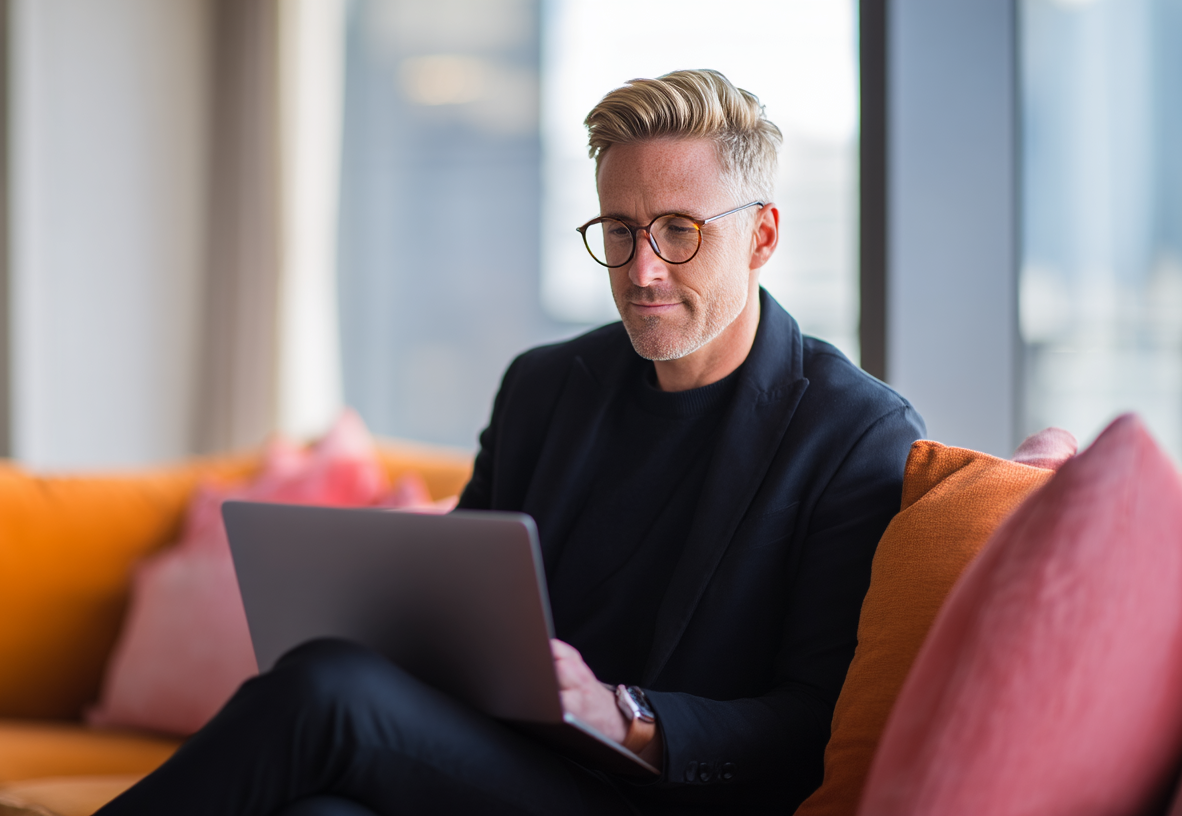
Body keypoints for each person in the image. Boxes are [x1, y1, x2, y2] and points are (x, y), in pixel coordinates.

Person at [97, 69, 924, 816]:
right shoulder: (546, 386)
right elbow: (454, 606)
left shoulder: (855, 435)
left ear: (765, 236)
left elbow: (818, 718)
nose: (641, 271)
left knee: (325, 688)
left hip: (659, 792)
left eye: (679, 230)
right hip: (511, 764)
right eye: (620, 230)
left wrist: (629, 718)